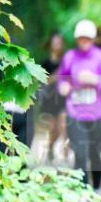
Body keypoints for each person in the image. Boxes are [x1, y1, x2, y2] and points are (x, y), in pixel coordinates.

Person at [57, 19, 101, 192]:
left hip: (98, 114)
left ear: (93, 39)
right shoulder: (70, 57)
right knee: (80, 154)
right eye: (81, 38)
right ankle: (84, 194)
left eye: (87, 38)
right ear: (77, 39)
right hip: (75, 113)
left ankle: (97, 188)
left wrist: (95, 80)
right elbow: (62, 78)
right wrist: (63, 86)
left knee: (94, 155)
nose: (84, 41)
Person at [38, 31, 69, 163]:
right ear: (50, 45)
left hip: (64, 98)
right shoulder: (45, 63)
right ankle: (50, 147)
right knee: (54, 130)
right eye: (55, 43)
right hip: (50, 99)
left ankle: (66, 156)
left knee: (64, 126)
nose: (58, 45)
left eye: (60, 43)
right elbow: (42, 82)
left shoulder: (67, 62)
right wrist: (56, 76)